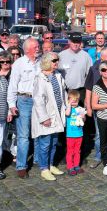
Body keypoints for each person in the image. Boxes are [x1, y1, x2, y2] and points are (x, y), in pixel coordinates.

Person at [7, 37, 40, 179]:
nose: (38, 48)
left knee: (39, 133)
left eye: (38, 46)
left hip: (39, 100)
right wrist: (12, 105)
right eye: (35, 47)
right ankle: (21, 166)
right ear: (27, 49)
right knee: (23, 135)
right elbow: (12, 86)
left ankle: (39, 161)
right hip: (24, 100)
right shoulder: (19, 64)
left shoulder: (42, 62)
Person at [32, 52, 66, 181]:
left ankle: (51, 165)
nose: (56, 62)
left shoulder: (57, 75)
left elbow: (64, 93)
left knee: (54, 142)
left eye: (57, 60)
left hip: (57, 114)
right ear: (47, 62)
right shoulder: (40, 78)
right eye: (54, 60)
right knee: (45, 143)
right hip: (46, 116)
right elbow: (38, 99)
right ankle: (44, 168)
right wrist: (44, 118)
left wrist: (67, 107)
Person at [58, 33, 92, 99]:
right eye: (73, 42)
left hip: (81, 91)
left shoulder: (86, 56)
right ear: (69, 42)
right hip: (65, 91)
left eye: (78, 42)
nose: (76, 44)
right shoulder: (61, 55)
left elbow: (90, 75)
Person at [65, 89, 86, 176]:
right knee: (70, 151)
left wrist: (83, 116)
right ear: (68, 101)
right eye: (72, 101)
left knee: (77, 151)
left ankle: (76, 165)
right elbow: (67, 114)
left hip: (79, 134)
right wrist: (69, 105)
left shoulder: (80, 109)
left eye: (76, 101)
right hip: (70, 135)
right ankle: (70, 166)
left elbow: (84, 121)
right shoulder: (68, 109)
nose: (74, 103)